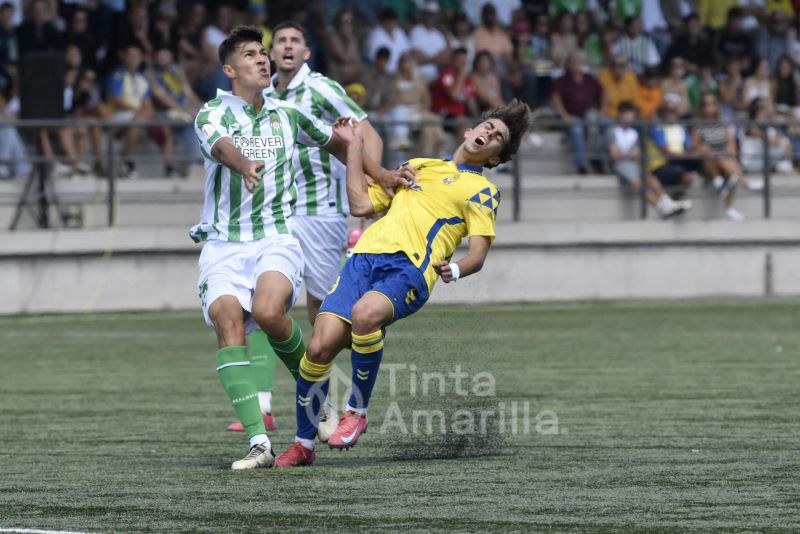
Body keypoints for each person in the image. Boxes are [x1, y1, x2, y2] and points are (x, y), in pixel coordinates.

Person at [274, 99, 532, 468]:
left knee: (365, 315)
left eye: (498, 138)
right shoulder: (419, 166)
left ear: (494, 158)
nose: (489, 134)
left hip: (409, 270)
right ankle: (303, 444)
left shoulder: (482, 190)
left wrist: (455, 270)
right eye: (488, 127)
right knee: (317, 349)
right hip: (361, 261)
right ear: (469, 131)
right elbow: (361, 205)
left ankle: (356, 410)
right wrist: (353, 148)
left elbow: (477, 254)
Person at [191, 25, 405, 470]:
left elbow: (338, 142)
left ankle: (318, 393)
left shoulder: (288, 114)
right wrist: (244, 163)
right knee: (228, 323)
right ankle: (258, 442)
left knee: (271, 313)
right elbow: (219, 145)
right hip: (222, 244)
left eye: (263, 53)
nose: (263, 59)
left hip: (275, 236)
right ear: (230, 69)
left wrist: (381, 176)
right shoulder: (212, 112)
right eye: (251, 55)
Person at [224, 21, 383, 440]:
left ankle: (353, 390)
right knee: (262, 306)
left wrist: (365, 198)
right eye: (282, 42)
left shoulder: (322, 89)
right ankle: (263, 404)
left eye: (296, 41)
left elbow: (365, 134)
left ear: (307, 53)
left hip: (321, 216)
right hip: (279, 217)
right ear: (271, 54)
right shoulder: (265, 94)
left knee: (323, 318)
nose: (288, 47)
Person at [610, 101, 692, 218]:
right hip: (621, 165)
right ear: (620, 114)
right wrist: (630, 153)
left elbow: (637, 153)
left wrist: (628, 154)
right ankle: (660, 206)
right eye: (625, 113)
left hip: (634, 163)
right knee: (639, 183)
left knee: (651, 178)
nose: (628, 116)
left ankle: (668, 202)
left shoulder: (634, 132)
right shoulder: (613, 131)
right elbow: (615, 154)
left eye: (630, 113)